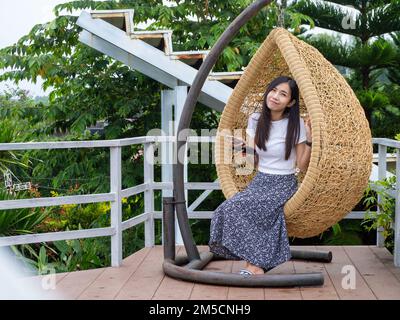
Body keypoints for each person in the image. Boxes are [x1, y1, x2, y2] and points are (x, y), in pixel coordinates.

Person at [209, 75, 312, 276]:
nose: (275, 96)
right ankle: (255, 264)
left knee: (248, 209)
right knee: (226, 209)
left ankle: (254, 266)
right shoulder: (256, 119)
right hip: (260, 181)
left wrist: (309, 140)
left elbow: (302, 164)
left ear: (290, 102)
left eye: (283, 94)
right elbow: (253, 160)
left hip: (283, 183)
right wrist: (241, 147)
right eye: (273, 90)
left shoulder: (296, 124)